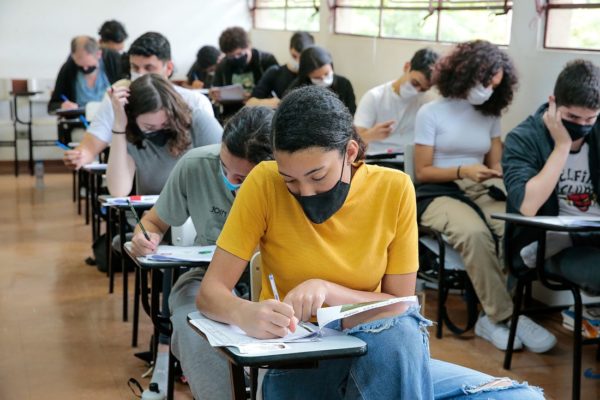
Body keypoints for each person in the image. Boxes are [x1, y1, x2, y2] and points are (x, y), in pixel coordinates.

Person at [196, 86, 544, 399]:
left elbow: (400, 304)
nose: (306, 192)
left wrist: (325, 289)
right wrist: (244, 311)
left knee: (520, 398)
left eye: (318, 176)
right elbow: (209, 293)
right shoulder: (263, 183)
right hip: (301, 363)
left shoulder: (393, 188)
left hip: (376, 352)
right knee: (400, 340)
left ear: (349, 152)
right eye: (291, 180)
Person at [413, 40, 557, 354]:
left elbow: (495, 164)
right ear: (463, 75)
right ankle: (506, 316)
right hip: (437, 192)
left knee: (514, 230)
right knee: (474, 233)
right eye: (484, 84)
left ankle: (491, 319)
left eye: (494, 86)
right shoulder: (430, 113)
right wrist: (464, 170)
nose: (488, 91)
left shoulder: (490, 114)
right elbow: (422, 171)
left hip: (479, 188)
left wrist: (505, 172)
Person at [129, 106, 274, 400]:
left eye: (243, 177)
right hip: (207, 276)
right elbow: (154, 221)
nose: (229, 180)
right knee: (189, 320)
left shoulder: (288, 179)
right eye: (223, 167)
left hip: (273, 280)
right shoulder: (195, 165)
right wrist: (145, 237)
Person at [502, 59, 600, 296]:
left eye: (590, 119)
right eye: (574, 118)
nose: (583, 126)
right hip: (547, 244)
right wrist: (562, 146)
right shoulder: (524, 138)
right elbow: (528, 205)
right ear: (553, 103)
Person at [62, 32, 214, 170]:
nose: (140, 75)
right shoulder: (118, 98)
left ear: (168, 68)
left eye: (149, 68)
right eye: (135, 68)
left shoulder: (195, 102)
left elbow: (212, 157)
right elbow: (94, 140)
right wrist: (80, 155)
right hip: (134, 182)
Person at [106, 74, 222, 196]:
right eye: (149, 127)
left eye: (166, 124)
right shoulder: (131, 133)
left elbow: (228, 171)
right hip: (152, 213)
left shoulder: (198, 121)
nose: (159, 130)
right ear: (134, 120)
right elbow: (118, 191)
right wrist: (119, 126)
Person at [354, 48, 438, 156]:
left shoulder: (426, 102)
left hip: (409, 159)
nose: (416, 91)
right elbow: (354, 139)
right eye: (415, 83)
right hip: (378, 157)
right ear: (407, 67)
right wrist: (372, 134)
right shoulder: (375, 97)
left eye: (423, 89)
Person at [210, 26, 278, 117]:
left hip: (262, 114)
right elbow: (217, 90)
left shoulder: (266, 61)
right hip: (233, 114)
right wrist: (215, 96)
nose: (236, 58)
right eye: (231, 56)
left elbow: (278, 94)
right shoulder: (223, 65)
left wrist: (253, 98)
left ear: (249, 45)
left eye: (239, 54)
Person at [48, 36, 123, 113]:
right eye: (80, 66)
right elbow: (52, 105)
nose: (85, 69)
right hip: (80, 121)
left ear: (98, 54)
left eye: (89, 65)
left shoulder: (113, 61)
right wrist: (62, 105)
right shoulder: (68, 68)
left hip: (112, 118)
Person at [246, 31, 315, 108]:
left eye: (302, 58)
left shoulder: (315, 76)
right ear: (290, 49)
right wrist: (269, 103)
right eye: (294, 56)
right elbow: (250, 102)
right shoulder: (275, 72)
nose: (298, 61)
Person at [287, 46, 356, 114]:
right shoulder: (297, 88)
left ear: (331, 66)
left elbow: (351, 111)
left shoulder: (344, 84)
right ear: (307, 75)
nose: (323, 79)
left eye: (326, 74)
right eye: (317, 78)